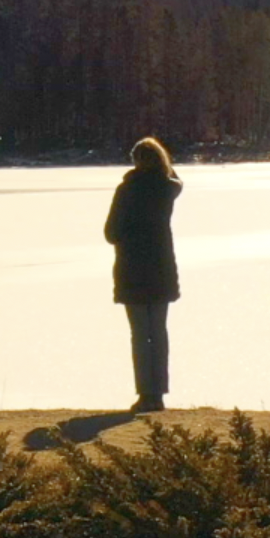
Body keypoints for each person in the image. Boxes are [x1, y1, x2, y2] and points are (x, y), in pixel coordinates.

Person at [104, 137, 182, 413]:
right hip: (161, 267)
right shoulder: (168, 188)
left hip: (132, 268)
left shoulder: (128, 190)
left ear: (136, 161)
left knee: (140, 333)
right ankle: (158, 394)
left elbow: (110, 232)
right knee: (158, 332)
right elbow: (175, 178)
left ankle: (145, 394)